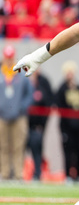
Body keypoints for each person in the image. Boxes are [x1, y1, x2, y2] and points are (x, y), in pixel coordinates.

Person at [0, 45, 33, 180]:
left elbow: (29, 94)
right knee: (3, 145)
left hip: (19, 116)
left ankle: (18, 173)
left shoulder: (21, 74)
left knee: (19, 145)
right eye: (7, 58)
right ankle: (5, 172)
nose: (8, 60)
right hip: (2, 116)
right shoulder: (1, 74)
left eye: (10, 58)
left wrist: (22, 107)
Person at [55, 60, 79, 183]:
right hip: (67, 126)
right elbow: (59, 105)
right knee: (68, 150)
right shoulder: (61, 88)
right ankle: (68, 174)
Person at [27, 69, 53, 181]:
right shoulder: (25, 82)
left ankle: (37, 173)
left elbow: (48, 102)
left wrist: (42, 123)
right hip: (25, 123)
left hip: (38, 125)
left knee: (37, 148)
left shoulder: (43, 83)